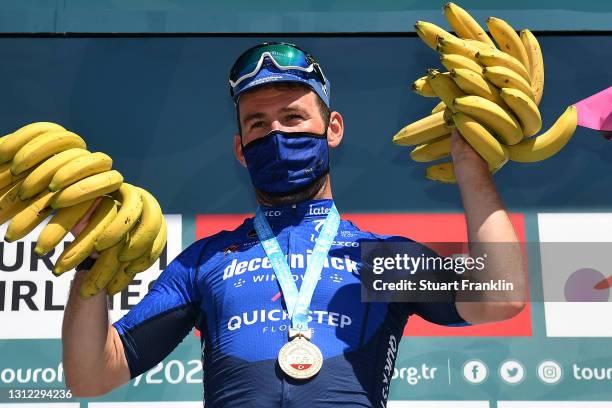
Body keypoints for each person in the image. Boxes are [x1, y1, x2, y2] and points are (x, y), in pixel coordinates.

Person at [62, 42, 527, 407]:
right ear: (241, 149)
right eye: (258, 124)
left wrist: (470, 166)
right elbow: (92, 374)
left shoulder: (377, 257)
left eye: (293, 117)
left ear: (334, 129)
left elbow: (503, 296)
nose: (277, 134)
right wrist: (92, 262)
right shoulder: (205, 260)